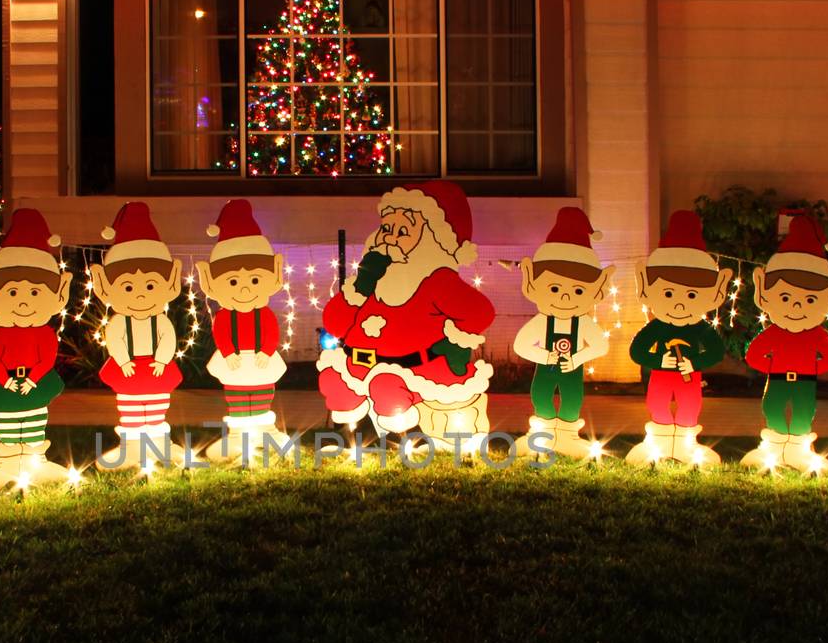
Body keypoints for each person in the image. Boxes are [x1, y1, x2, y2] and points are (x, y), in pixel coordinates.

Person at [317, 181, 494, 452]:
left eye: (403, 231)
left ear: (432, 239)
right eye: (387, 228)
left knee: (386, 386)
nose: (390, 238)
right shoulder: (370, 279)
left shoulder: (436, 281)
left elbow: (480, 312)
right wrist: (360, 287)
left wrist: (453, 341)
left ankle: (405, 434)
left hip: (409, 369)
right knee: (335, 380)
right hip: (358, 363)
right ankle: (349, 432)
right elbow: (335, 323)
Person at [740, 211, 828, 474]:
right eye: (786, 297)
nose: (797, 306)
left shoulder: (817, 335)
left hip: (804, 382)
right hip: (777, 380)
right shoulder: (773, 334)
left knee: (802, 415)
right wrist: (772, 367)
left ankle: (798, 451)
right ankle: (776, 449)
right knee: (773, 409)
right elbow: (753, 354)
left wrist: (811, 369)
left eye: (810, 299)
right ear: (765, 296)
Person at [626, 210, 733, 467]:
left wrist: (694, 362)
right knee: (657, 403)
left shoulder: (700, 328)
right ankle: (660, 442)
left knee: (689, 407)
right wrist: (657, 359)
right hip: (661, 376)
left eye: (692, 295)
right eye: (669, 293)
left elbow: (716, 351)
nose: (680, 304)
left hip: (689, 378)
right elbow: (637, 350)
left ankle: (685, 445)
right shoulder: (657, 327)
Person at [0, 209, 72, 490]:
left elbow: (47, 359)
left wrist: (32, 379)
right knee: (8, 416)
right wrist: (5, 380)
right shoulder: (0, 336)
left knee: (33, 416)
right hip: (6, 382)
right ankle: (7, 459)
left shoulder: (45, 334)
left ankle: (33, 455)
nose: (24, 302)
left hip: (34, 382)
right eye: (13, 292)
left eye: (34, 293)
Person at [511, 206, 612, 459]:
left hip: (572, 370)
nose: (566, 296)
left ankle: (567, 437)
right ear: (533, 284)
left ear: (596, 291)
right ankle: (543, 433)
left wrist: (576, 358)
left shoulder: (584, 323)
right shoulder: (541, 321)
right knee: (541, 395)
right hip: (546, 368)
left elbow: (600, 345)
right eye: (554, 288)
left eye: (578, 291)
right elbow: (521, 345)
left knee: (572, 399)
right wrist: (545, 357)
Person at [93, 202, 187, 469]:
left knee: (157, 402)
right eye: (128, 287)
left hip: (156, 367)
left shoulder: (161, 320)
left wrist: (161, 359)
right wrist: (123, 361)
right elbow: (115, 341)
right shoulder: (119, 321)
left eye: (149, 285)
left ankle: (158, 438)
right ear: (107, 287)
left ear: (169, 284)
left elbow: (167, 339)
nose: (141, 294)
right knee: (131, 403)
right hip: (129, 367)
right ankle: (131, 445)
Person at [196, 199, 289, 464]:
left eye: (255, 280)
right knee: (237, 394)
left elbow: (271, 332)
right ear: (212, 283)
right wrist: (228, 353)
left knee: (262, 391)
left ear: (274, 276)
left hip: (261, 360)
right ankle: (238, 434)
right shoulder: (225, 315)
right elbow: (222, 334)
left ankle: (265, 430)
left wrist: (267, 351)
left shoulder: (265, 314)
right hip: (234, 361)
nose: (245, 289)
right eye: (234, 281)